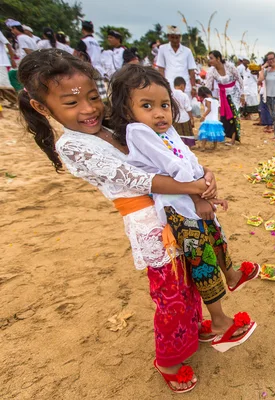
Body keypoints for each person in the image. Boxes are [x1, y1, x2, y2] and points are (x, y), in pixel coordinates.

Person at [17, 48, 214, 393]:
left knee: (188, 277)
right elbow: (139, 180)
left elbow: (164, 153)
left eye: (93, 97)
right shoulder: (74, 146)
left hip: (172, 206)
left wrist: (201, 174)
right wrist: (195, 185)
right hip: (148, 222)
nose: (88, 109)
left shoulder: (114, 125)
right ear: (42, 108)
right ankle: (168, 360)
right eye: (71, 103)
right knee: (168, 291)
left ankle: (192, 330)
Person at [109, 63, 258, 353]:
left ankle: (232, 276)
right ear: (129, 111)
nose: (159, 112)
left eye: (164, 105)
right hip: (177, 207)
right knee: (201, 260)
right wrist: (198, 195)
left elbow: (188, 158)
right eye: (147, 105)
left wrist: (207, 177)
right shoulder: (139, 131)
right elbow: (173, 167)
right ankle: (218, 321)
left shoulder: (167, 131)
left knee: (216, 235)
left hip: (192, 198)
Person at [205, 50, 244, 146]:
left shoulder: (230, 66)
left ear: (218, 58)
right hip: (222, 95)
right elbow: (208, 86)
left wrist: (242, 94)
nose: (210, 60)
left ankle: (233, 140)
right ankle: (225, 136)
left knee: (234, 115)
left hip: (234, 94)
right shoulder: (211, 71)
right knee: (224, 116)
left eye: (211, 58)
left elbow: (239, 79)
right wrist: (207, 97)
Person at [156, 26, 196, 98]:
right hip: (169, 85)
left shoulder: (187, 51)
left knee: (186, 107)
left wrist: (194, 87)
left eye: (177, 38)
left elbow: (191, 71)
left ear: (180, 37)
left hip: (185, 86)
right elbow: (161, 69)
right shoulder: (162, 49)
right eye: (172, 37)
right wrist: (162, 85)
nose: (175, 40)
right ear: (168, 37)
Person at [197, 86, 225, 151]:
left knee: (205, 133)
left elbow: (209, 109)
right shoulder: (216, 100)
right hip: (215, 119)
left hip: (208, 119)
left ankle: (203, 146)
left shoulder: (207, 100)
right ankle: (215, 146)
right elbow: (218, 110)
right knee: (215, 133)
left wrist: (203, 116)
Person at [171, 76, 195, 146]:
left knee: (176, 134)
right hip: (184, 117)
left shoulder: (170, 94)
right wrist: (191, 118)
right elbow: (188, 108)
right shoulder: (184, 95)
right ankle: (188, 147)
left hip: (174, 117)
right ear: (182, 85)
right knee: (186, 133)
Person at [0, 29, 18, 113]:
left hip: (1, 61)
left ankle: (16, 102)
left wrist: (12, 58)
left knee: (4, 84)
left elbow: (7, 44)